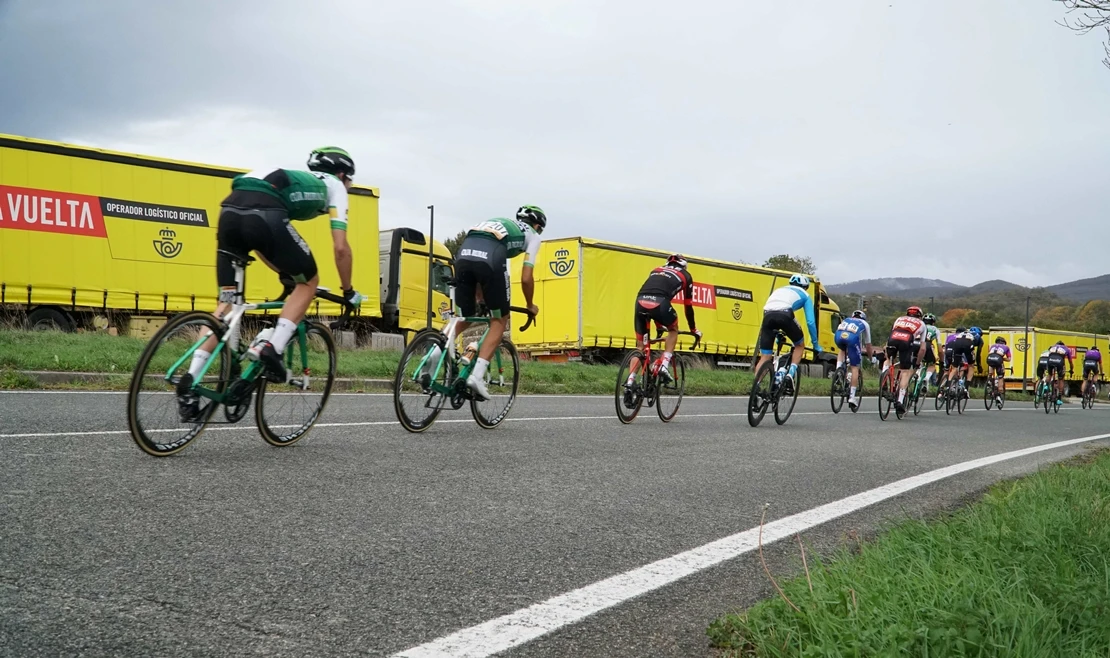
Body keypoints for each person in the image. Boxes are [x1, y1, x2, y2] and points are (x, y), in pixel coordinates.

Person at [177, 147, 362, 421]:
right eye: (350, 181)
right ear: (343, 174)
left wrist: (283, 272)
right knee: (309, 282)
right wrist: (348, 291)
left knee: (226, 305)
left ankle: (190, 380)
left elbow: (260, 240)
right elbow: (341, 249)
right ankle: (271, 349)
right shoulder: (335, 186)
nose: (349, 187)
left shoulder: (297, 177)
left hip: (230, 210)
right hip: (265, 212)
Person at [452, 206, 545, 400]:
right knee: (500, 320)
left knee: (464, 316)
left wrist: (480, 292)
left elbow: (477, 259)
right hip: (490, 257)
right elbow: (526, 278)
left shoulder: (500, 221)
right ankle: (477, 376)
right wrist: (530, 305)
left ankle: (435, 351)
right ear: (537, 225)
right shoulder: (533, 236)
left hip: (464, 251)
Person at [623, 255, 702, 402]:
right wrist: (693, 329)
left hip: (640, 302)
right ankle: (664, 365)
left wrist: (659, 326)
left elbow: (652, 294)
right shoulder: (686, 275)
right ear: (684, 266)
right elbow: (688, 306)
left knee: (640, 347)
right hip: (660, 303)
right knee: (673, 329)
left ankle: (630, 381)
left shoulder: (656, 270)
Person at [755, 274, 822, 390]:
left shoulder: (779, 290)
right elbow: (810, 322)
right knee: (799, 345)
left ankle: (755, 387)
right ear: (805, 287)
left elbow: (772, 311)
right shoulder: (805, 295)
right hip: (785, 315)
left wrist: (774, 332)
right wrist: (815, 344)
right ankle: (790, 375)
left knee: (765, 357)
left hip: (767, 316)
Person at [887, 306, 928, 414]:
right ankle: (900, 400)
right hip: (906, 340)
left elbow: (891, 334)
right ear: (920, 316)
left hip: (893, 337)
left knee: (889, 359)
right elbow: (923, 348)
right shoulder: (922, 324)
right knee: (905, 371)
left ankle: (885, 374)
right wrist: (918, 363)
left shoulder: (899, 318)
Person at [834, 310, 872, 411]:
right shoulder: (865, 324)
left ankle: (838, 370)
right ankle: (852, 397)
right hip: (852, 339)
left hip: (838, 337)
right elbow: (868, 345)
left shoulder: (846, 319)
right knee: (855, 368)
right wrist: (870, 357)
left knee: (842, 349)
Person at [945, 326, 976, 393]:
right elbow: (973, 351)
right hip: (968, 344)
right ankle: (966, 388)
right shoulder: (973, 336)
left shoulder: (955, 336)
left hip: (956, 344)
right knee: (971, 366)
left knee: (954, 368)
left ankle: (948, 386)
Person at [1045, 340, 1073, 406]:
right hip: (1059, 361)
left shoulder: (1052, 347)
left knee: (1050, 374)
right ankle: (1059, 398)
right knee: (1061, 379)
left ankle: (1046, 386)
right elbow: (1070, 362)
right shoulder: (1066, 349)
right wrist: (1071, 369)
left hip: (1050, 360)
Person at [920, 313, 942, 394]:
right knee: (932, 365)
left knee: (917, 362)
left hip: (916, 344)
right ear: (933, 322)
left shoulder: (920, 325)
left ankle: (917, 375)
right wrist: (940, 358)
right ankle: (927, 378)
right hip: (927, 345)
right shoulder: (935, 329)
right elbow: (939, 346)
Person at [985, 336, 1012, 400]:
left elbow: (992, 354)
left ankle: (989, 380)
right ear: (1004, 343)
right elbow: (1009, 359)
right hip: (998, 359)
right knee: (1000, 376)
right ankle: (999, 392)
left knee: (991, 369)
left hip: (989, 358)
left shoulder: (992, 346)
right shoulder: (1006, 347)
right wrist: (1002, 358)